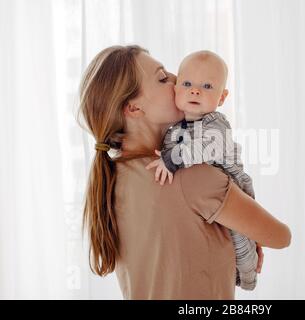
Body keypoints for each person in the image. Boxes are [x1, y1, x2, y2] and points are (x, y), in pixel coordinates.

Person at [77, 45, 291, 299]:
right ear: (133, 108)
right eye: (162, 77)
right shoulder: (191, 176)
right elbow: (280, 237)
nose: (177, 80)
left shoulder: (112, 176)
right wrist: (244, 232)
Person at [147, 50, 258, 290]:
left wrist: (172, 159)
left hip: (230, 187)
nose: (195, 90)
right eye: (187, 83)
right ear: (176, 89)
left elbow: (208, 147)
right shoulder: (172, 128)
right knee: (215, 243)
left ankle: (247, 278)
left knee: (240, 239)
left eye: (207, 86)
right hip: (200, 204)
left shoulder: (216, 123)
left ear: (222, 98)